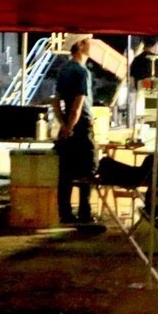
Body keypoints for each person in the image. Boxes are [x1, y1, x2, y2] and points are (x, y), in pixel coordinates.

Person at [52, 37, 98, 224]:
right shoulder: (82, 71)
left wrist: (62, 124)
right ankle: (85, 213)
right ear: (80, 45)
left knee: (66, 172)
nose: (91, 45)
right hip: (81, 125)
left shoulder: (64, 69)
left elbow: (56, 101)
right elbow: (78, 104)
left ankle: (65, 213)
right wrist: (71, 126)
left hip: (66, 124)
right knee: (89, 168)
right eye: (88, 41)